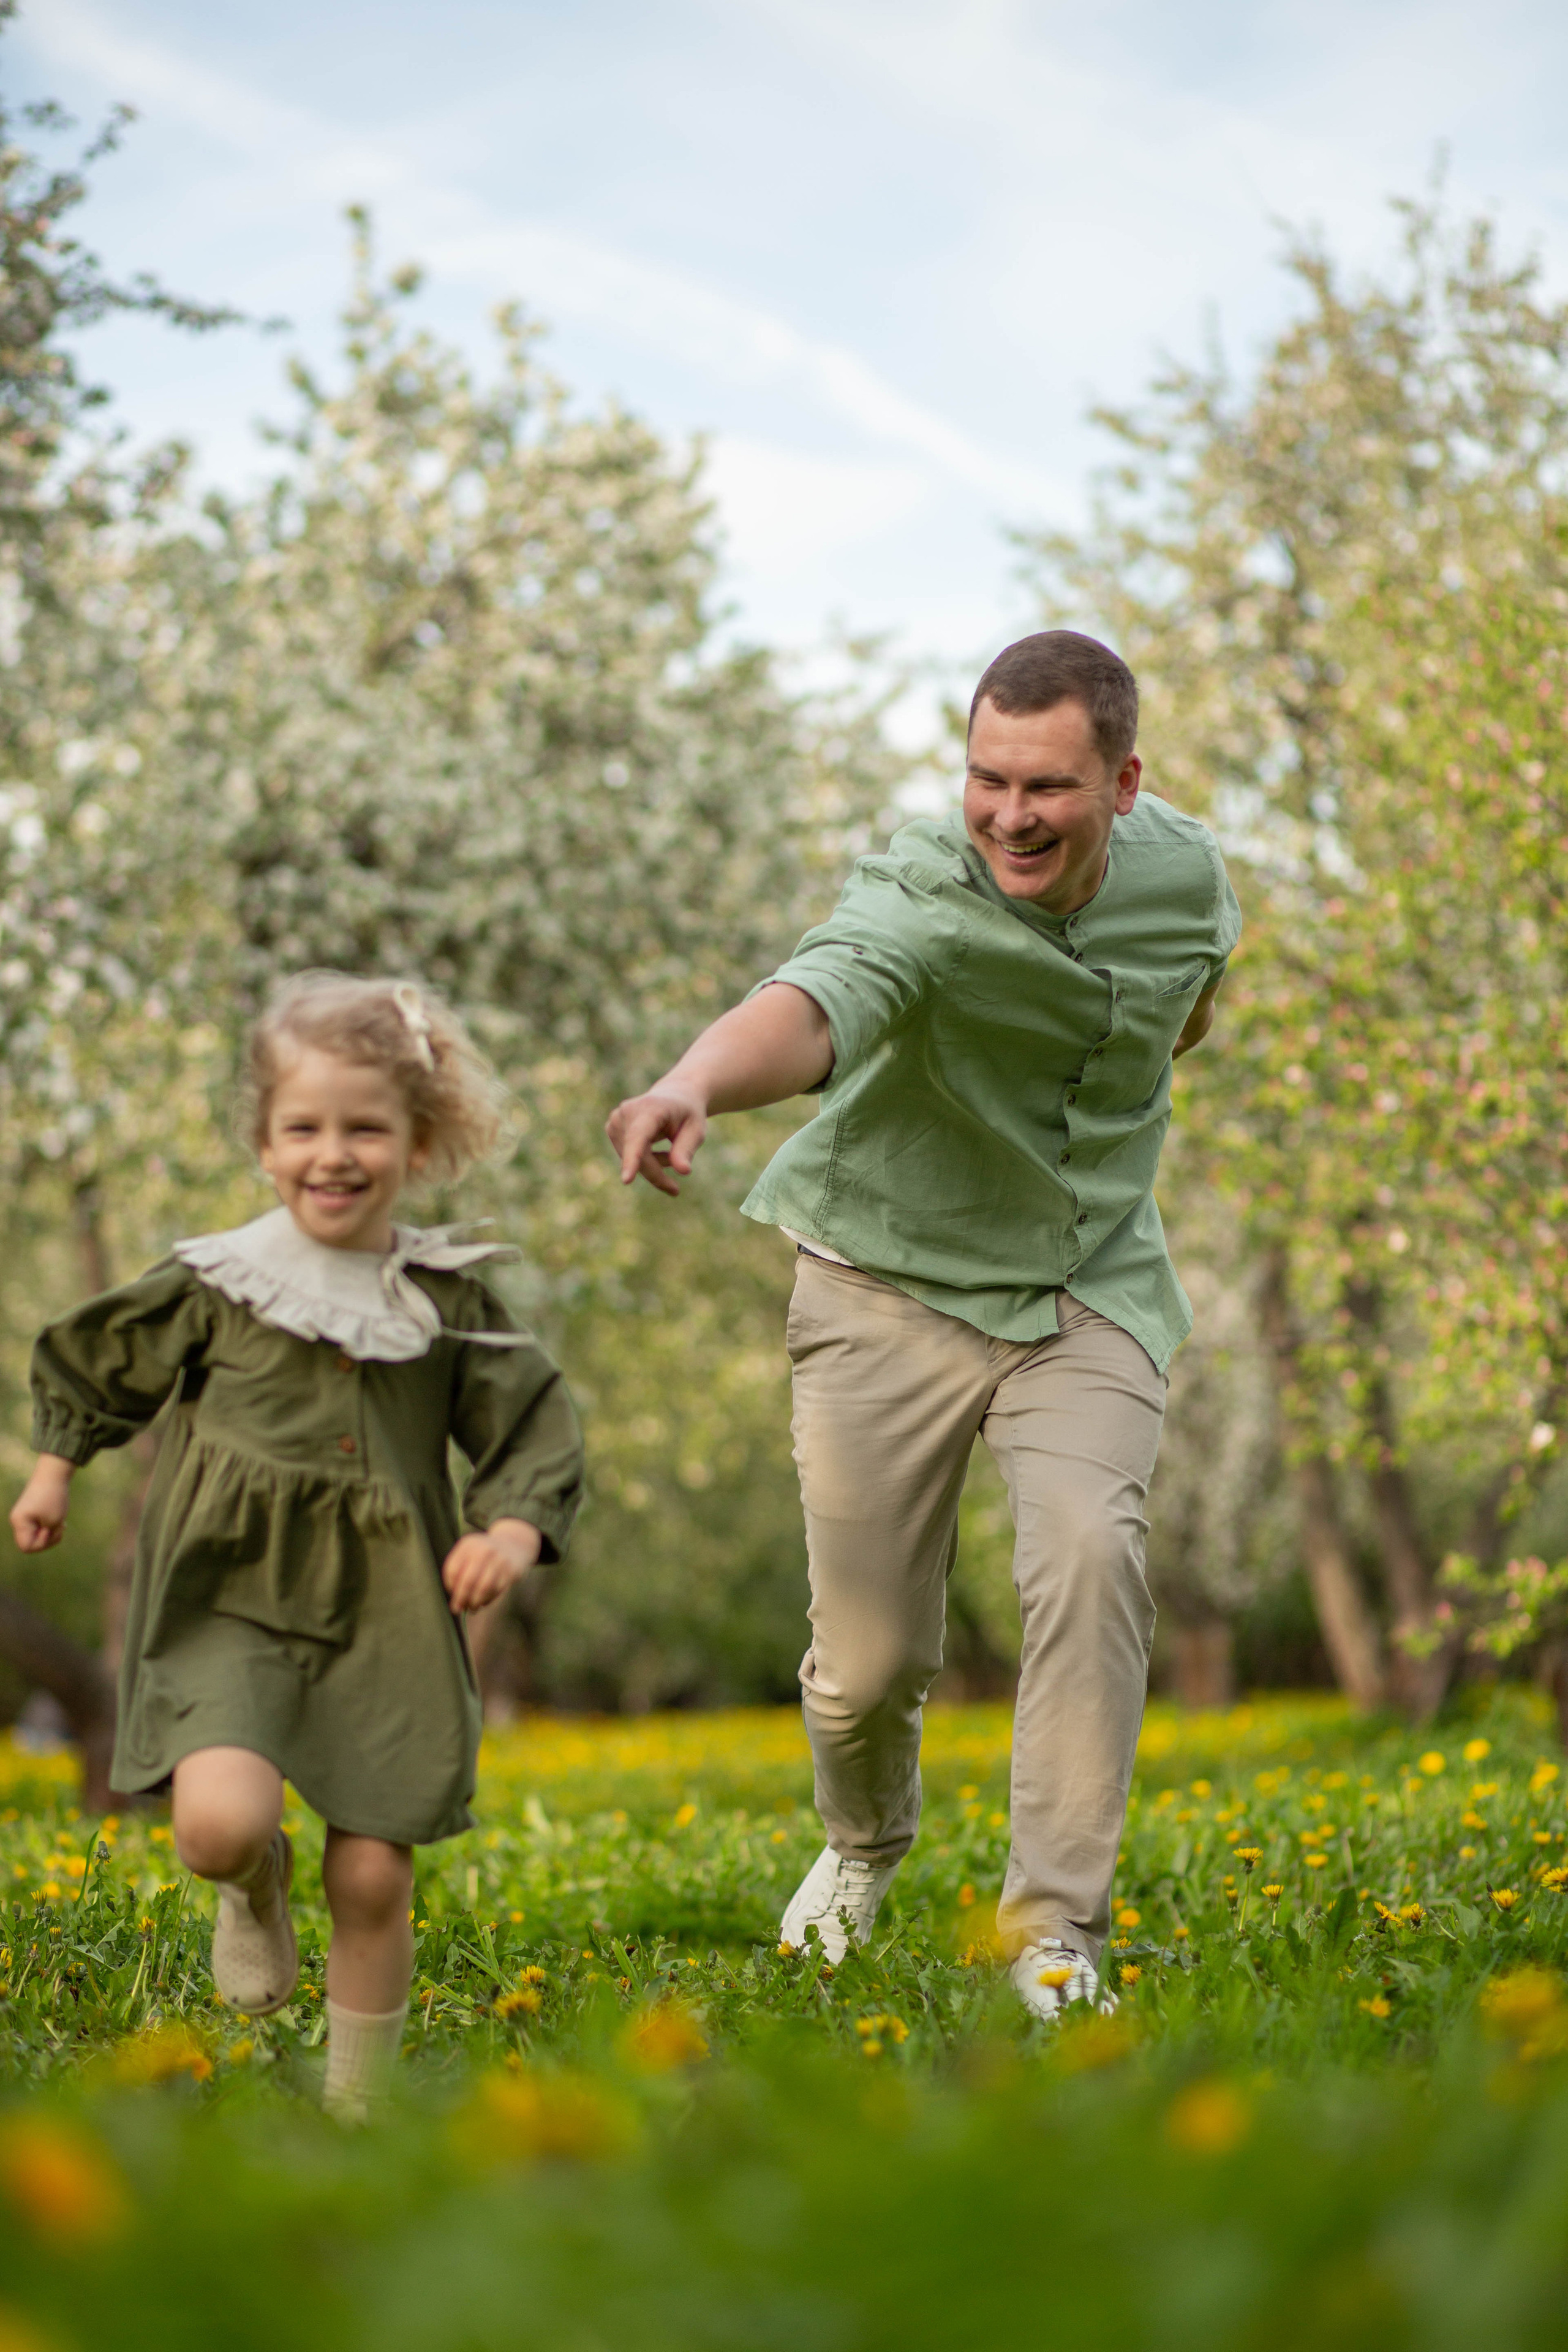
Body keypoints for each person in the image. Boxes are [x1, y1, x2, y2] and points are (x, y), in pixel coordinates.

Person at [607, 631, 1238, 2018]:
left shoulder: (1189, 877)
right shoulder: (919, 880)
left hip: (1085, 1285)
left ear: (1122, 784)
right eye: (984, 777)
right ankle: (860, 1843)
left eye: (1047, 788)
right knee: (865, 1665)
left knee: (1089, 1552)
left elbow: (1188, 1005)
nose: (1009, 814)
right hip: (882, 1280)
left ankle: (1052, 1929)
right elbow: (820, 999)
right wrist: (692, 1084)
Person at [10, 974, 584, 2114]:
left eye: (365, 1127)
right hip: (230, 1594)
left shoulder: (442, 1299)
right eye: (304, 1128)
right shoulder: (221, 1281)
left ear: (417, 1141)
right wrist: (54, 1466)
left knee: (373, 1871)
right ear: (265, 1146)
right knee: (218, 1827)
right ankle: (252, 1886)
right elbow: (100, 1357)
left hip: (389, 1610)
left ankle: (356, 2106)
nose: (335, 1153)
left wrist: (510, 1531)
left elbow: (530, 1423)